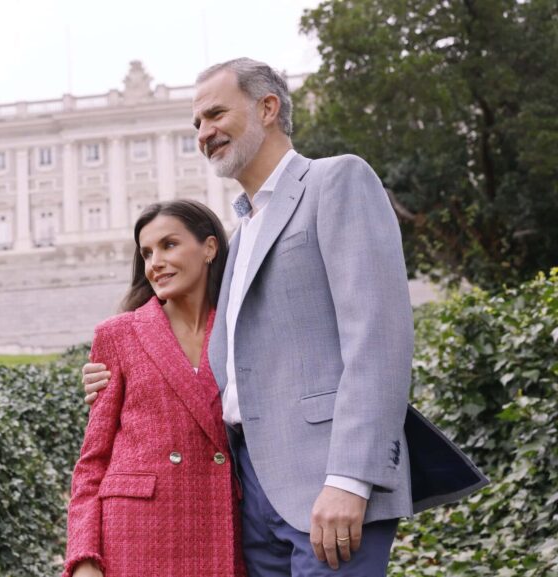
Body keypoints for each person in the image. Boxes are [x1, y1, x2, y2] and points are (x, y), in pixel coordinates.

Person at [81, 58, 487, 576]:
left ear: (268, 107)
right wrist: (113, 374)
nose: (204, 133)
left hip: (326, 481)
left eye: (215, 115)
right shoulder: (241, 230)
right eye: (197, 124)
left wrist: (349, 478)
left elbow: (378, 341)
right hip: (250, 494)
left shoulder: (336, 181)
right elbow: (229, 352)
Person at [64, 199, 246, 577]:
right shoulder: (117, 335)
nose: (155, 263)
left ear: (210, 248)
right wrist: (83, 558)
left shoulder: (242, 328)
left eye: (169, 245)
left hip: (225, 521)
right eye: (146, 253)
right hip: (134, 534)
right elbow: (92, 461)